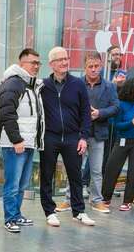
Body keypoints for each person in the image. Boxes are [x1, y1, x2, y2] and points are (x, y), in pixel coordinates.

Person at [56, 52, 119, 214]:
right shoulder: (75, 84)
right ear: (85, 67)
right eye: (90, 66)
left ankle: (96, 200)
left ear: (101, 66)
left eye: (96, 66)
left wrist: (99, 113)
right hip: (77, 135)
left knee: (97, 170)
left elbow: (116, 107)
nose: (93, 69)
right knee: (73, 168)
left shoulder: (109, 86)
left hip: (98, 134)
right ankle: (69, 200)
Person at [40, 46, 95, 227]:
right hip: (50, 137)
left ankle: (78, 211)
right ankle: (49, 211)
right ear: (51, 64)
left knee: (75, 176)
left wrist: (83, 137)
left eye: (66, 58)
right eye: (59, 59)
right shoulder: (43, 86)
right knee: (47, 175)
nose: (64, 62)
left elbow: (85, 112)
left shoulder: (77, 83)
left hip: (73, 137)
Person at [0, 48, 45, 233]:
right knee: (12, 183)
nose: (36, 66)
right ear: (21, 63)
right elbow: (7, 114)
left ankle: (16, 215)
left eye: (38, 63)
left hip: (28, 141)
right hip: (14, 144)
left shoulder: (31, 85)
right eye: (33, 62)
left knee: (22, 183)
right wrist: (16, 140)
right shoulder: (14, 83)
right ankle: (9, 218)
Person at [102, 76, 134, 212]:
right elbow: (117, 124)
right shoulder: (121, 103)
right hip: (122, 140)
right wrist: (131, 123)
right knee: (111, 168)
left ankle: (127, 201)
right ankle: (105, 198)